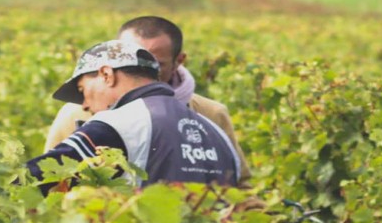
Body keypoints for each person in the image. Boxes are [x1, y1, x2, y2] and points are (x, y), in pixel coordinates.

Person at [26, 39, 243, 193]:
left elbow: (43, 172)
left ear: (106, 75)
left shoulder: (118, 123)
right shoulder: (213, 130)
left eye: (83, 90)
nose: (84, 105)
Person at [42, 16, 244, 168]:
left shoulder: (210, 114)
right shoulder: (76, 114)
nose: (140, 72)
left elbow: (236, 183)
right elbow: (53, 178)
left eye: (154, 64)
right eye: (129, 65)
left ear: (179, 61)